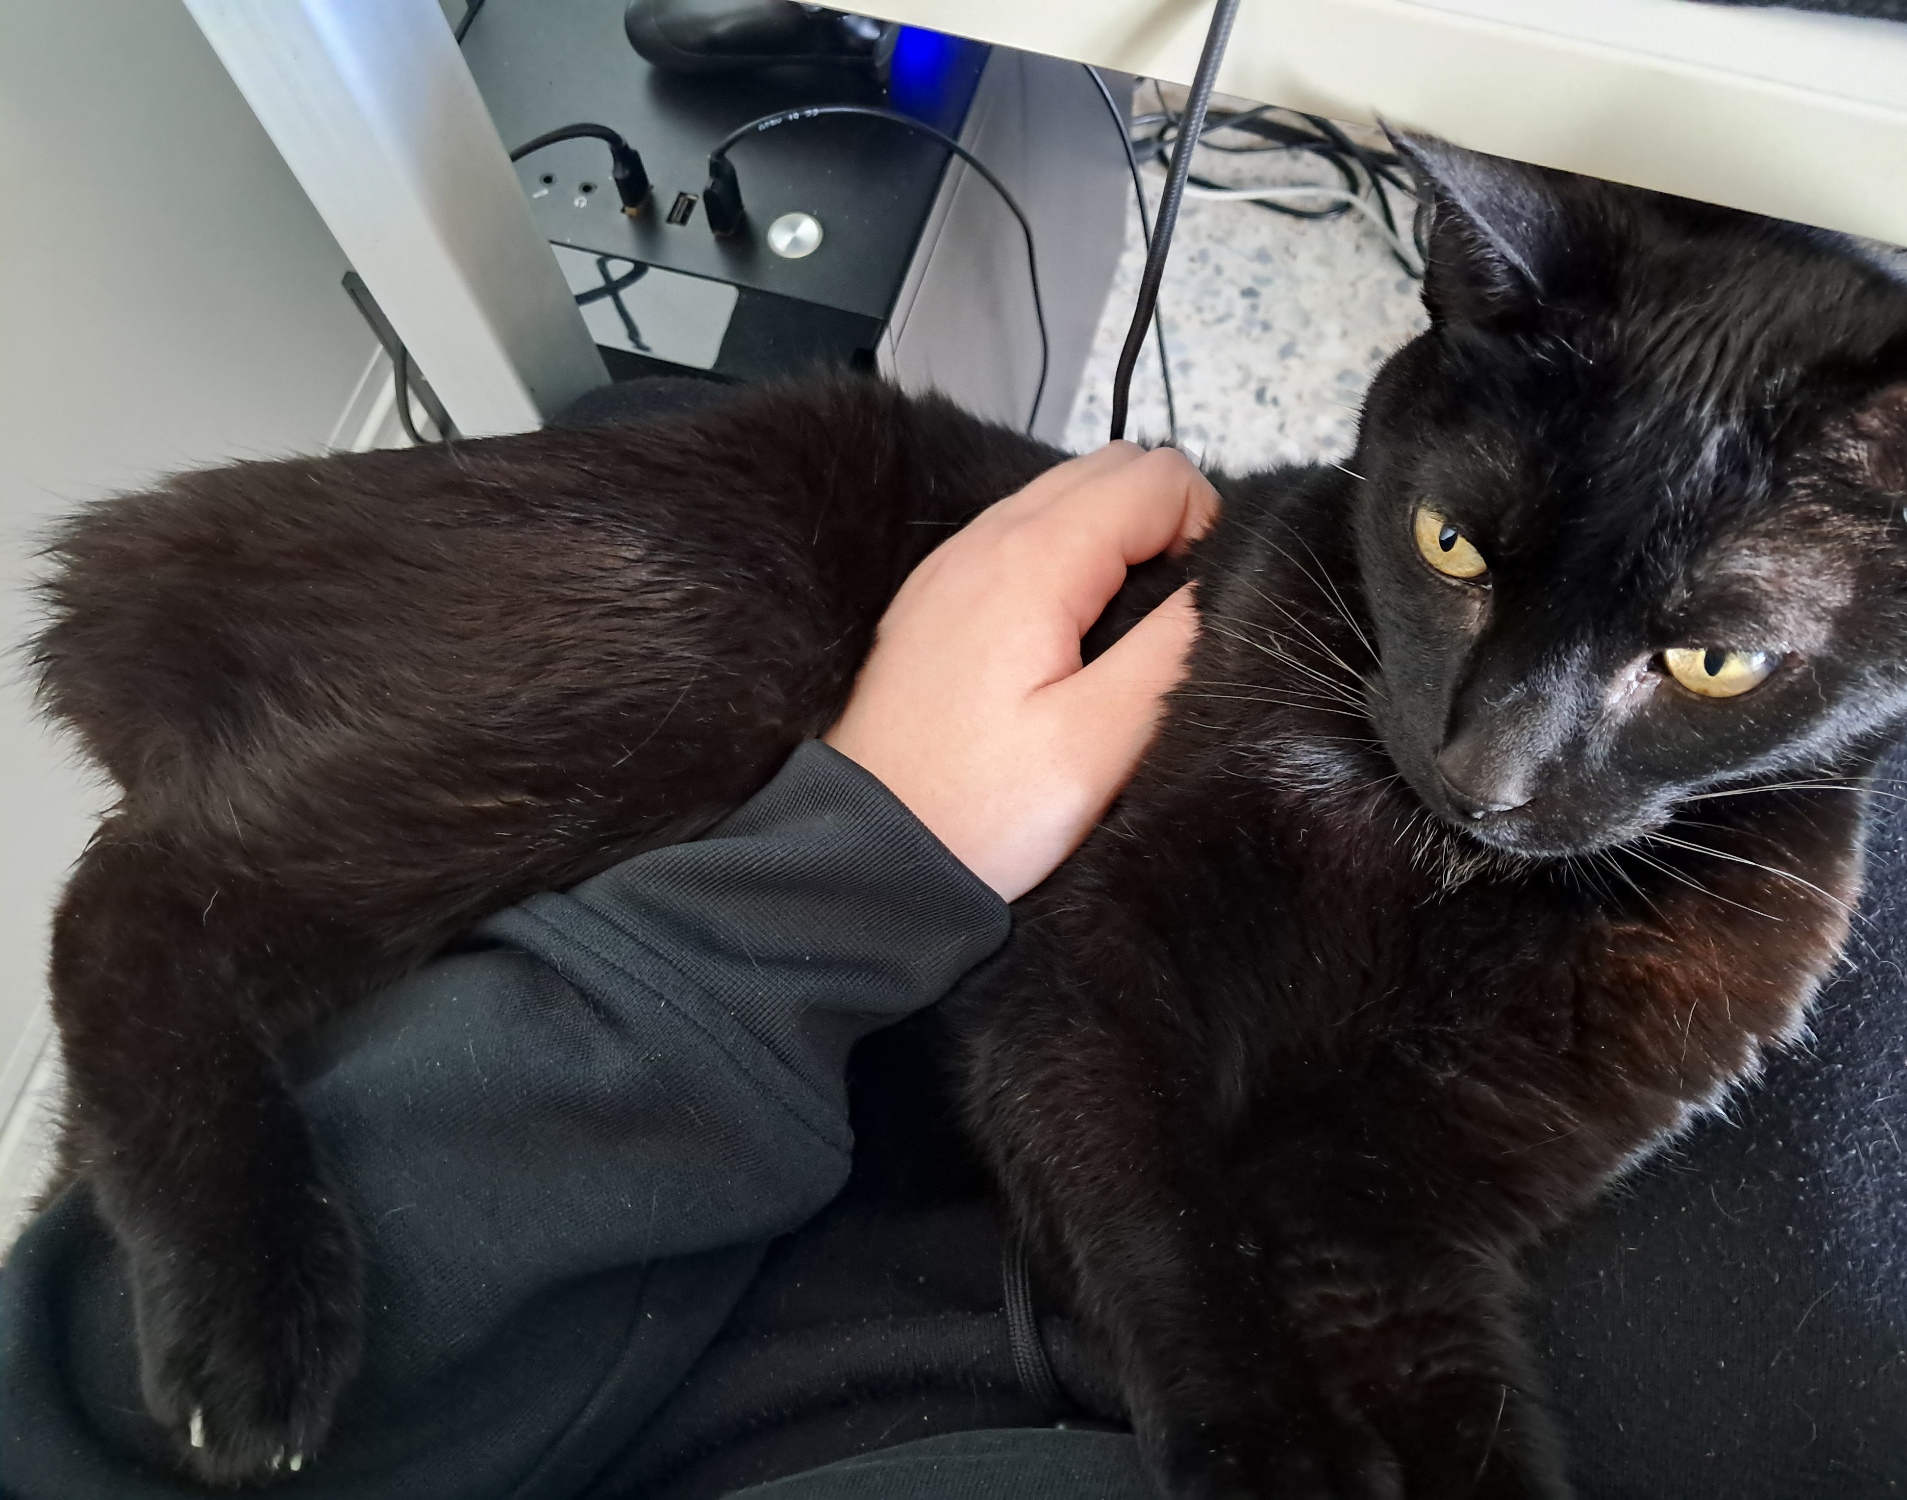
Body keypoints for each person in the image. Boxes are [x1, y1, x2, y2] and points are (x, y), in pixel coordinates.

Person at [0, 442, 1215, 1499]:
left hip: (572, 1119)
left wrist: (867, 852)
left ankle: (184, 921)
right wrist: (873, 850)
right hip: (814, 686)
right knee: (712, 648)